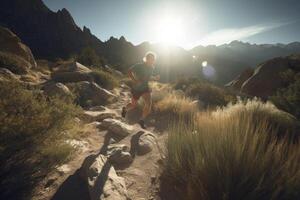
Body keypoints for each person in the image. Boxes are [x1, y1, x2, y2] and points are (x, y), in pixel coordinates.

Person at [122, 52, 160, 129]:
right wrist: (134, 80)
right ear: (146, 59)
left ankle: (142, 120)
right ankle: (125, 109)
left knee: (149, 103)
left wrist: (154, 78)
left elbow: (148, 77)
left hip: (145, 88)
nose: (152, 60)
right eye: (150, 59)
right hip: (137, 88)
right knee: (133, 105)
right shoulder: (139, 65)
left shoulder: (152, 67)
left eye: (153, 59)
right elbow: (129, 71)